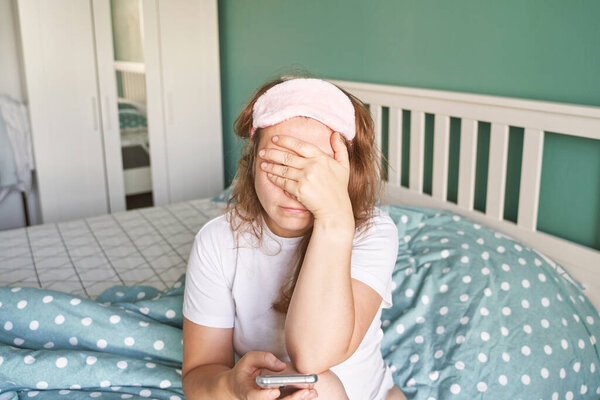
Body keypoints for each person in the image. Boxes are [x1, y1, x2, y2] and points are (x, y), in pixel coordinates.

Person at [181, 77, 406, 400]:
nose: (294, 187)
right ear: (252, 162)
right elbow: (199, 374)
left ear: (346, 172)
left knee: (319, 383)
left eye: (316, 170)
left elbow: (313, 356)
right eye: (278, 164)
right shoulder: (217, 242)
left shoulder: (373, 231)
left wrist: (333, 218)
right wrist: (233, 387)